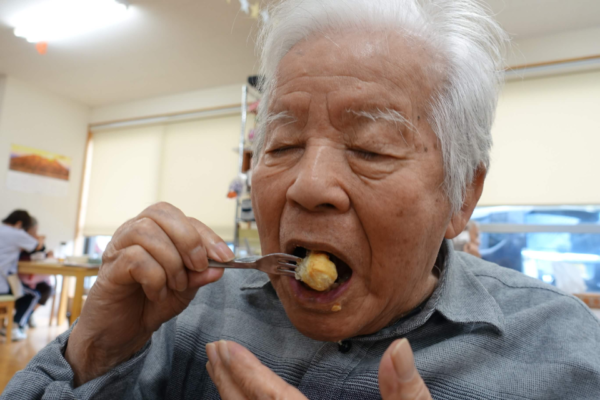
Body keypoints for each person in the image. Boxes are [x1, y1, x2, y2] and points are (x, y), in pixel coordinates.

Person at [4, 0, 600, 398]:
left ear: (461, 197)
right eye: (283, 143)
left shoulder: (566, 355)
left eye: (370, 148)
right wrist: (97, 350)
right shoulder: (180, 313)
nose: (307, 185)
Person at [0, 210, 43, 341]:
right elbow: (38, 247)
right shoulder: (17, 233)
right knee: (33, 295)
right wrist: (37, 237)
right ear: (19, 224)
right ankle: (14, 327)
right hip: (2, 283)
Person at [18, 217, 55, 328]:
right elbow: (34, 250)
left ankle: (27, 316)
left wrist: (42, 247)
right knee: (34, 294)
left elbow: (39, 251)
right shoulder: (20, 240)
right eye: (34, 230)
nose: (36, 233)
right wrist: (40, 242)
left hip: (32, 276)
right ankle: (19, 321)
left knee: (47, 289)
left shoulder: (34, 241)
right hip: (19, 276)